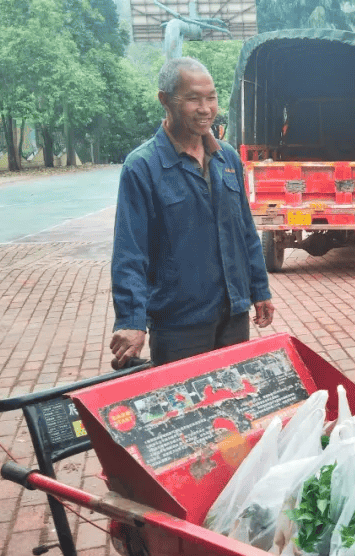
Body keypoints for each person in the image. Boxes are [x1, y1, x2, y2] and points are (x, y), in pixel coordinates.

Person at [110, 57, 275, 367]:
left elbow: (245, 232)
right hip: (179, 324)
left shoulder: (226, 158)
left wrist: (259, 289)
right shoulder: (142, 167)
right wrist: (131, 320)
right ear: (165, 100)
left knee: (237, 402)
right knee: (188, 411)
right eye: (193, 99)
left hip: (233, 317)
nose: (205, 108)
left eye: (211, 97)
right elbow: (130, 252)